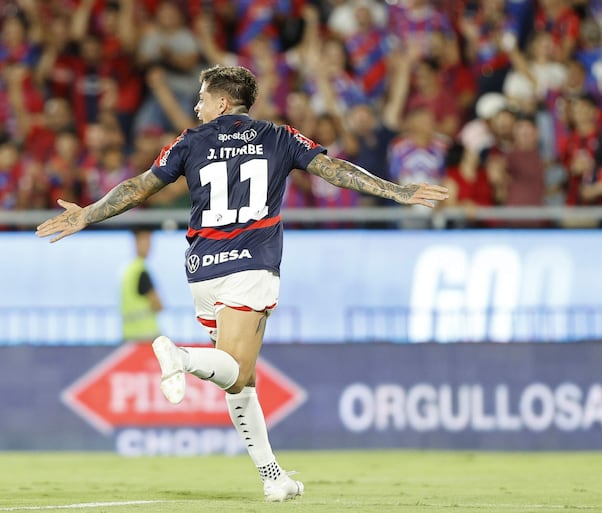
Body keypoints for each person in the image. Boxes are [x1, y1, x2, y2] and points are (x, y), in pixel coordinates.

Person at [35, 65, 448, 502]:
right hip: (250, 266)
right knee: (233, 370)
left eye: (202, 96)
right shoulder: (280, 136)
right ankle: (181, 356)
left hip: (201, 268)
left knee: (241, 381)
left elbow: (138, 188)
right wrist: (398, 192)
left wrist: (88, 213)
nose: (197, 104)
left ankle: (273, 476)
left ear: (222, 102)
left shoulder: (189, 142)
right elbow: (334, 171)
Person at [121, 228, 163, 343]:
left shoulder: (128, 270)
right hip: (146, 335)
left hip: (129, 334)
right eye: (146, 241)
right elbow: (158, 305)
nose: (149, 246)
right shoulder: (141, 270)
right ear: (136, 243)